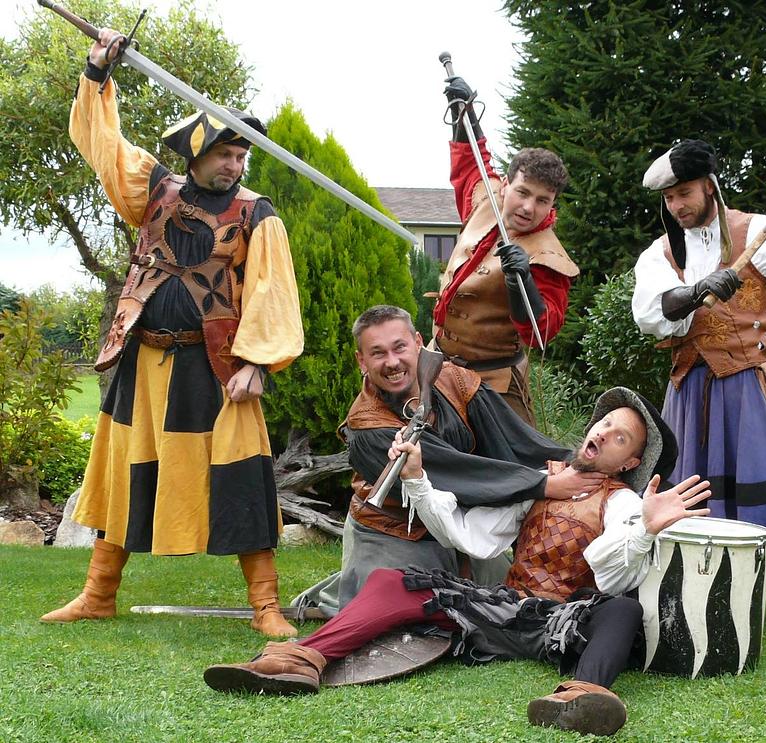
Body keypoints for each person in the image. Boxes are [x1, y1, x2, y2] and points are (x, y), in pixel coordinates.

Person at [205, 387, 711, 738]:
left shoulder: (624, 502)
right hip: (506, 610)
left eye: (620, 437)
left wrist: (645, 527)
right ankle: (302, 660)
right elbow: (470, 535)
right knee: (394, 581)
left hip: (562, 624)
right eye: (605, 422)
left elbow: (610, 575)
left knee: (622, 610)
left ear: (629, 462)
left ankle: (581, 696)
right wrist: (417, 480)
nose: (604, 432)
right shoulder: (545, 481)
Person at [40, 28, 303, 637]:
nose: (235, 165)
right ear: (197, 154)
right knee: (124, 472)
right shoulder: (153, 191)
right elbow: (103, 146)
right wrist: (97, 72)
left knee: (240, 477)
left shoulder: (257, 214)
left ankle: (265, 606)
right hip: (143, 362)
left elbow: (273, 295)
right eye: (225, 154)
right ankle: (97, 594)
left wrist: (256, 363)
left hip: (217, 369)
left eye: (242, 156)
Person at [632, 138, 766, 638]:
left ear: (710, 187)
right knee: (686, 493)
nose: (677, 205)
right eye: (669, 198)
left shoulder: (755, 231)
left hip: (745, 385)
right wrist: (697, 290)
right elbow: (650, 313)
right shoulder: (662, 252)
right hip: (688, 388)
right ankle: (691, 599)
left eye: (684, 193)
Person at [311, 305, 607, 613]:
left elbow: (515, 440)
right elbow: (458, 475)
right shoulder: (366, 428)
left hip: (461, 527)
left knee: (510, 604)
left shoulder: (455, 380)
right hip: (396, 533)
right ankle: (343, 586)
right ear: (362, 360)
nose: (392, 362)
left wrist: (580, 464)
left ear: (418, 342)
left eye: (399, 347)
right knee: (413, 614)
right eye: (378, 353)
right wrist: (544, 485)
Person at [431, 75, 580, 424]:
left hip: (493, 383)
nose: (529, 207)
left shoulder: (549, 257)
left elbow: (542, 333)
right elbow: (471, 162)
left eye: (542, 200)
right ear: (507, 184)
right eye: (523, 192)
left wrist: (522, 282)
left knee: (514, 459)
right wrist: (465, 113)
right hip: (436, 367)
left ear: (553, 203)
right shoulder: (487, 197)